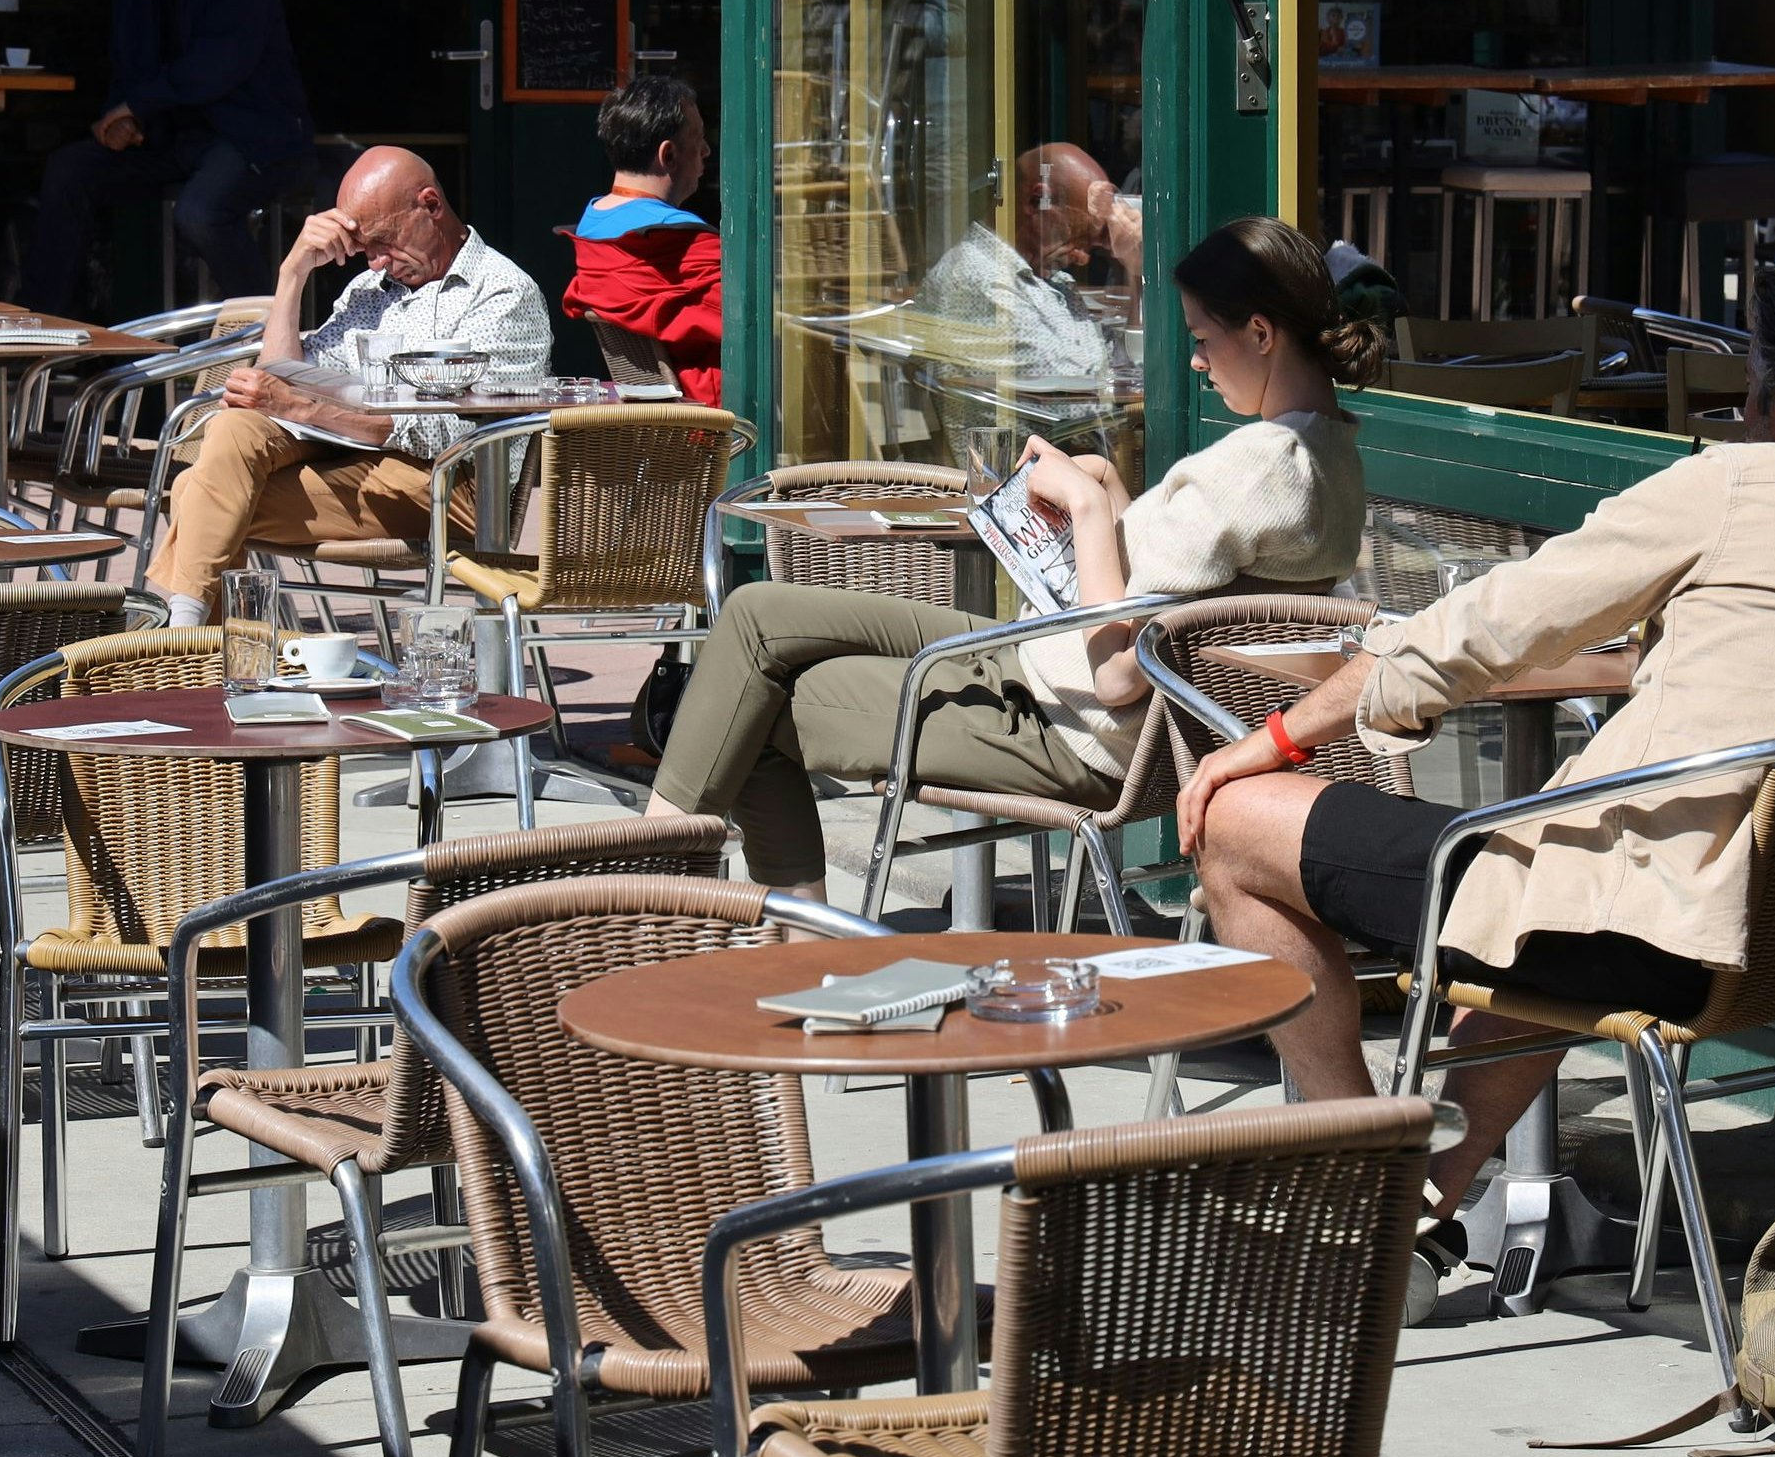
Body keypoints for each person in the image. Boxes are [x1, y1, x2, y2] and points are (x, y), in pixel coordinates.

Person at [1169, 255, 1775, 1317]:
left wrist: (1274, 733)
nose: (1738, 411)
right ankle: (1418, 1218)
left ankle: (1361, 1186)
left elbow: (1483, 626)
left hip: (1647, 920)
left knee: (1234, 823)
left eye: (1745, 386)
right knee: (1538, 881)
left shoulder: (1740, 482)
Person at [647, 216, 1376, 894]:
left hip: (1065, 723)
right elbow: (1174, 604)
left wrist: (1089, 513)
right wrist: (1113, 492)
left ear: (1258, 333)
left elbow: (1120, 672)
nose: (1194, 362)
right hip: (1044, 673)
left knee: (750, 710)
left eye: (1202, 339)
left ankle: (670, 903)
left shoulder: (1258, 466)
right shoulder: (1328, 453)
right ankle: (673, 885)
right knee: (756, 613)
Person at [142, 147, 549, 620]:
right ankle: (188, 642)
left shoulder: (500, 292)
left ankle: (179, 642)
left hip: (447, 484)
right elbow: (285, 377)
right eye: (363, 248)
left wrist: (301, 409)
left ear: (430, 206)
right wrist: (292, 273)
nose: (373, 262)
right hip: (354, 456)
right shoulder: (369, 291)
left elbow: (448, 432)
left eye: (383, 242)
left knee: (200, 494)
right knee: (236, 430)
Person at [21, 0, 318, 312]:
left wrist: (137, 106)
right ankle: (43, 331)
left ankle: (274, 337)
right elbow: (127, 75)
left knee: (201, 213)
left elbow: (220, 65)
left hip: (252, 135)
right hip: (174, 142)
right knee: (70, 170)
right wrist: (121, 120)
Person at [559, 74, 723, 403]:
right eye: (698, 139)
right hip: (717, 418)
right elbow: (755, 317)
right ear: (669, 155)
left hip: (660, 412)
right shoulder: (678, 242)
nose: (706, 150)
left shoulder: (592, 229)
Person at [1017, 141, 1143, 284]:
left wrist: (1135, 263)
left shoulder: (1058, 281)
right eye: (1078, 240)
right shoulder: (999, 284)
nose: (1083, 260)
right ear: (1036, 201)